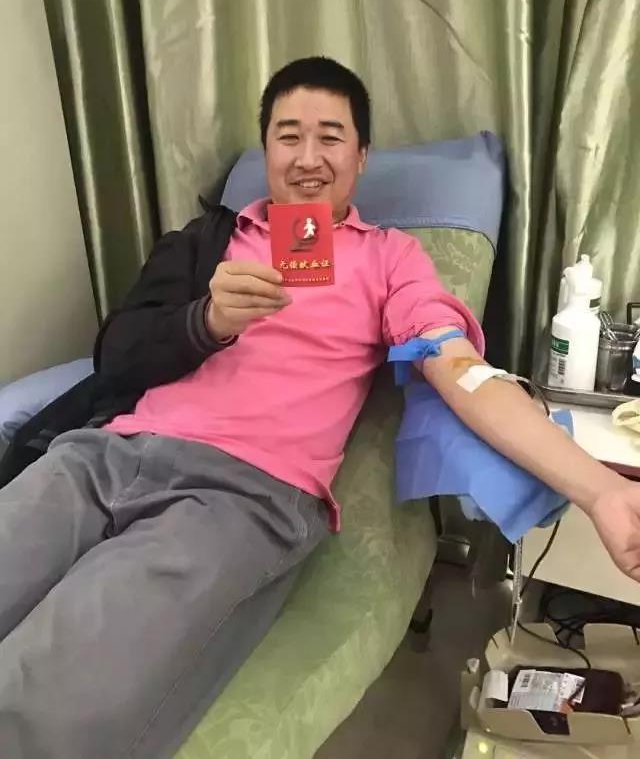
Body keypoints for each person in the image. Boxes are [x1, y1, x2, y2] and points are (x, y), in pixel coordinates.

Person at [0, 56, 638, 758]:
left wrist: (601, 490)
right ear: (266, 150)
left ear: (361, 156)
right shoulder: (207, 242)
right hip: (102, 457)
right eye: (288, 136)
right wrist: (204, 320)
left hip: (237, 493)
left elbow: (463, 372)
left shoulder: (391, 258)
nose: (308, 158)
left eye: (330, 137)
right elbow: (117, 352)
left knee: (46, 685)